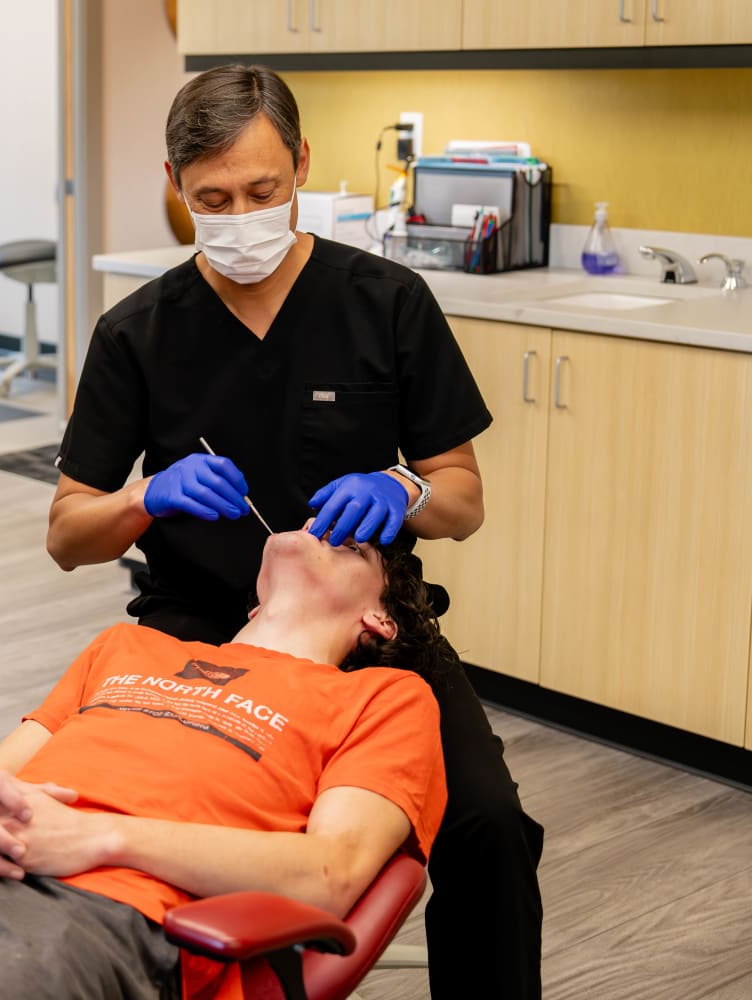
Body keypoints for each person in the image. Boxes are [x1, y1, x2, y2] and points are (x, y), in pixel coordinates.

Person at [47, 64, 543, 999]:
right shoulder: (137, 333)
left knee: (490, 829)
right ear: (173, 183)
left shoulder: (386, 302)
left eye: (263, 191)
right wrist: (144, 499)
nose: (240, 216)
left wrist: (403, 488)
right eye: (212, 200)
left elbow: (463, 501)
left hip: (368, 639)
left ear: (303, 164)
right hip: (197, 637)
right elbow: (69, 533)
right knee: (155, 830)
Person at [0, 526, 447, 1000]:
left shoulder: (384, 697)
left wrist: (102, 838)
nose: (320, 524)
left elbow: (331, 875)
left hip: (101, 913)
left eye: (352, 541)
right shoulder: (126, 648)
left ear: (378, 620)